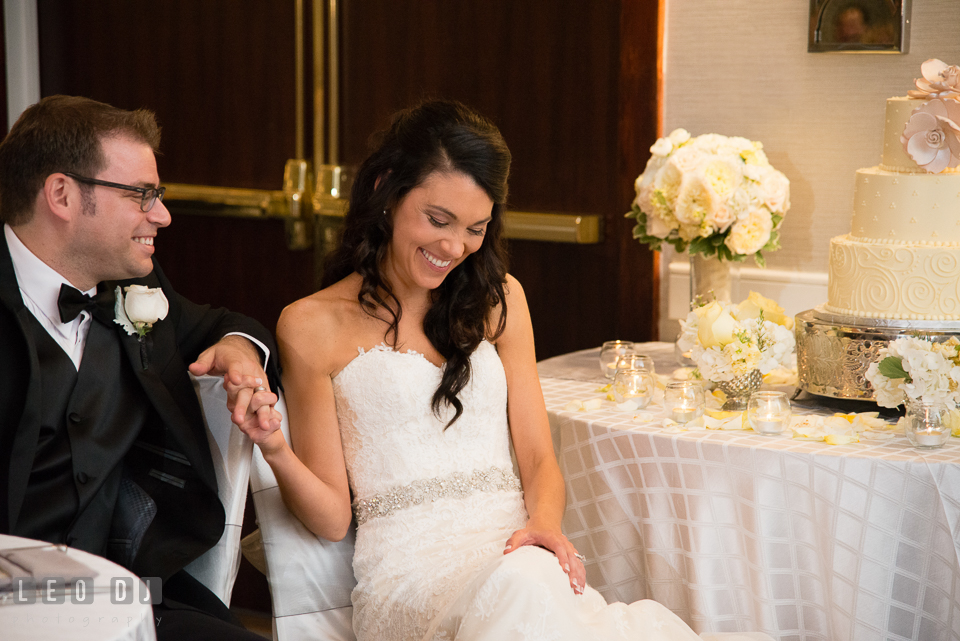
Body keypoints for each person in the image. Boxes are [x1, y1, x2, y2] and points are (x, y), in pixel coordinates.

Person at [246, 100, 772, 641]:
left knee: (525, 584)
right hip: (408, 583)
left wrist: (543, 528)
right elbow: (332, 519)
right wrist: (275, 448)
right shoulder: (309, 324)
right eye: (437, 219)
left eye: (475, 228)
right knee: (522, 589)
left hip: (518, 558)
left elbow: (540, 458)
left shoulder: (500, 300)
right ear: (386, 188)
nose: (453, 247)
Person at [0, 95, 282, 640]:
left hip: (134, 591)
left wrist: (240, 350)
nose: (163, 215)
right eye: (141, 195)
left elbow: (229, 323)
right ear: (61, 194)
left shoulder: (137, 289)